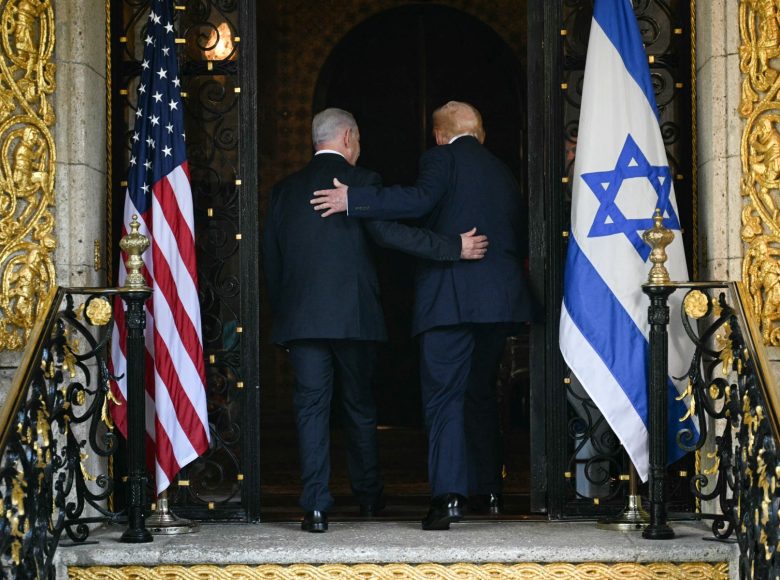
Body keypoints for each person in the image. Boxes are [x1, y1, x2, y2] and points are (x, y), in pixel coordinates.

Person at [263, 107, 488, 533]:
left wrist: (286, 314)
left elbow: (271, 262)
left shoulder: (283, 190)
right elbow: (390, 235)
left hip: (302, 321)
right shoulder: (362, 183)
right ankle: (368, 497)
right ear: (348, 138)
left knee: (310, 410)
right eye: (359, 140)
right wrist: (451, 247)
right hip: (354, 320)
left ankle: (314, 507)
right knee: (359, 408)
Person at [312, 101, 534, 530]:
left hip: (450, 299)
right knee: (480, 393)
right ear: (480, 131)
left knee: (445, 397)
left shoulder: (441, 158)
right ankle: (488, 488)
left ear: (437, 135)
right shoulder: (503, 170)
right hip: (499, 303)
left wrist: (353, 198)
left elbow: (419, 200)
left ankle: (448, 497)